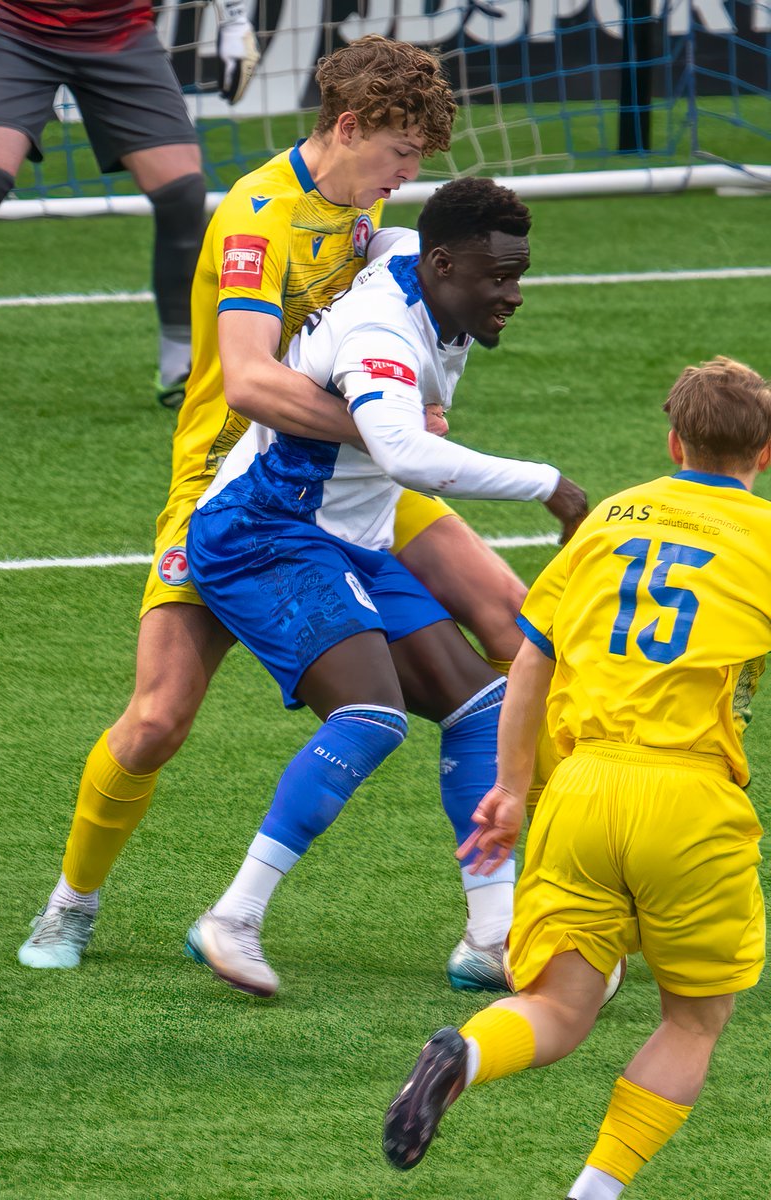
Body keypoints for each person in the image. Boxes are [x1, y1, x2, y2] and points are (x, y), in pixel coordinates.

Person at [181, 176, 586, 997]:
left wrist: (359, 225)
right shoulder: (383, 338)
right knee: (371, 716)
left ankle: (492, 938)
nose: (513, 294)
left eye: (519, 274)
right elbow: (404, 456)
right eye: (496, 278)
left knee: (484, 708)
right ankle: (232, 918)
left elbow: (387, 236)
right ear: (443, 266)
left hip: (346, 536)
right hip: (264, 528)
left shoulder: (414, 257)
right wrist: (547, 482)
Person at [382, 355, 771, 1198]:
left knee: (559, 1007)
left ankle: (467, 1053)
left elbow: (531, 657)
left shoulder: (609, 521)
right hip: (690, 802)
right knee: (694, 1020)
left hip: (582, 791)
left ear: (674, 441)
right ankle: (593, 1193)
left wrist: (515, 787)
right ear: (765, 453)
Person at [0, 0, 259, 407]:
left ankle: (182, 364)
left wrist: (234, 20)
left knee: (182, 191)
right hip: (11, 28)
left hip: (119, 31)